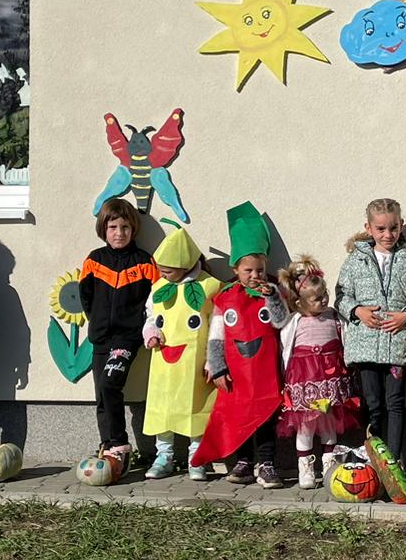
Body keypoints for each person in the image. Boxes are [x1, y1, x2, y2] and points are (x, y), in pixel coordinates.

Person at [192, 202, 289, 487]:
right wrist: (218, 367)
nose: (255, 276)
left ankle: (267, 464)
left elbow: (281, 322)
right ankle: (244, 462)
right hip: (236, 373)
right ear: (236, 268)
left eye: (260, 269)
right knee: (239, 416)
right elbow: (216, 336)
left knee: (266, 416)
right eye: (248, 270)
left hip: (265, 372)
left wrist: (272, 297)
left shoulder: (272, 291)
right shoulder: (227, 297)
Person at [335, 197, 406, 461]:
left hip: (396, 344)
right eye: (380, 229)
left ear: (401, 225)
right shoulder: (356, 260)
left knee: (395, 402)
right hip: (366, 346)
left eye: (393, 228)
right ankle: (372, 457)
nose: (387, 235)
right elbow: (341, 295)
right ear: (368, 228)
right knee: (373, 403)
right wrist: (358, 311)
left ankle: (393, 461)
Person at [78, 197, 158, 471]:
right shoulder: (94, 260)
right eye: (113, 227)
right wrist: (98, 322)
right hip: (101, 336)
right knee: (102, 393)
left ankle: (120, 445)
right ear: (104, 229)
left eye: (125, 227)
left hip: (127, 337)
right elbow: (86, 296)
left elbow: (154, 300)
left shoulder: (144, 261)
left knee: (111, 383)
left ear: (133, 229)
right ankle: (108, 445)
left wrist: (140, 328)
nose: (119, 233)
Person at [140, 224, 219, 480]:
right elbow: (151, 316)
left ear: (185, 265)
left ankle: (197, 457)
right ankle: (164, 455)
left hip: (196, 362)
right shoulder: (158, 287)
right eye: (161, 269)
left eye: (168, 270)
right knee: (163, 407)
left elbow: (217, 326)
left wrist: (214, 360)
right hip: (164, 361)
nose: (162, 274)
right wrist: (151, 332)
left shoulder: (210, 286)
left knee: (197, 407)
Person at [277, 255, 360, 489]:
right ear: (299, 303)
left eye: (325, 294)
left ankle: (329, 465)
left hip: (331, 381)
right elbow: (285, 350)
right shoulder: (295, 322)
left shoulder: (333, 316)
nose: (323, 300)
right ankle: (305, 467)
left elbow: (346, 339)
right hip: (305, 383)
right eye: (316, 298)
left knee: (329, 424)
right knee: (306, 425)